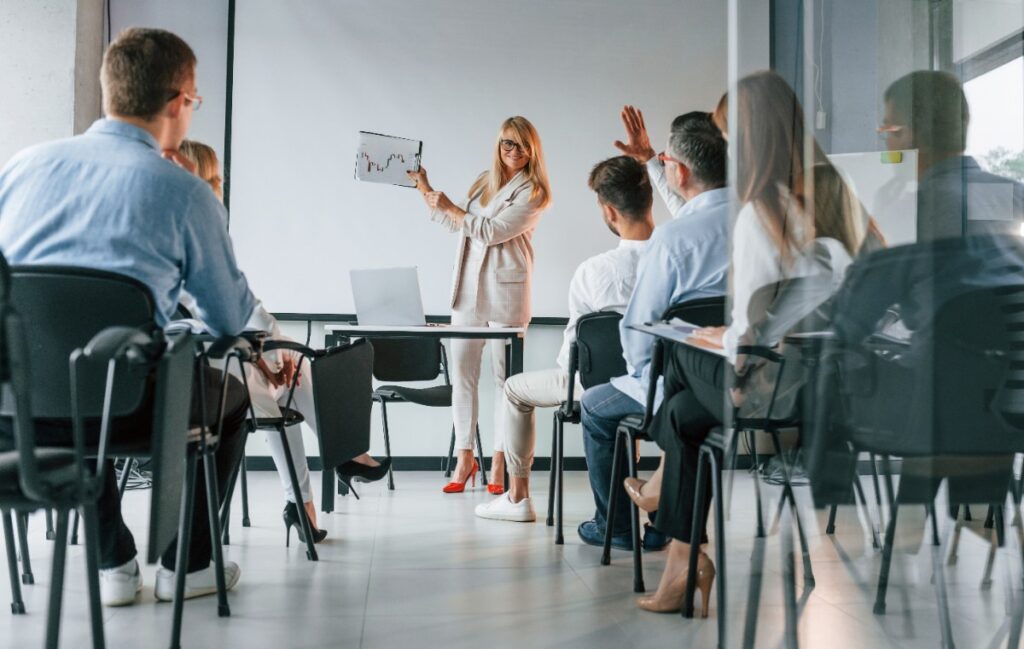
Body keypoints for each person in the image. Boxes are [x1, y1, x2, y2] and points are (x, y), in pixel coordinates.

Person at [0, 28, 251, 606]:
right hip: (134, 411)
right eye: (194, 100)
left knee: (80, 382)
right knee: (227, 396)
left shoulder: (21, 167)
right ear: (178, 103)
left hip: (18, 409)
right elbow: (229, 319)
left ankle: (111, 562)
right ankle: (187, 565)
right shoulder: (185, 192)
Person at [637, 70, 878, 614]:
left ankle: (669, 517)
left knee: (676, 348)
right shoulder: (836, 196)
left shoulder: (761, 214)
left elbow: (748, 334)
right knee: (683, 415)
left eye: (728, 137)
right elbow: (847, 293)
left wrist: (720, 338)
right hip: (819, 387)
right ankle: (681, 561)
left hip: (763, 389)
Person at [176, 140, 390, 544]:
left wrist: (269, 351)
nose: (221, 185)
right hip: (209, 367)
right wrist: (269, 353)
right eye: (215, 177)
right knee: (288, 382)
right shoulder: (195, 234)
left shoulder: (173, 231)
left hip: (208, 356)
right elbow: (235, 307)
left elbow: (236, 308)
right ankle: (335, 466)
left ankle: (307, 500)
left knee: (290, 375)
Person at [576, 112, 730, 551]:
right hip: (745, 382)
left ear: (679, 171)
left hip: (680, 386)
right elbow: (697, 213)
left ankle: (617, 527)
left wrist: (648, 380)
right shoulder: (759, 223)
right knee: (681, 408)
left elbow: (639, 331)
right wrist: (651, 160)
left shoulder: (674, 238)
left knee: (594, 407)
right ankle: (667, 528)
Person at [473, 156, 655, 522]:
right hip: (664, 388)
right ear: (649, 200)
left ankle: (517, 497)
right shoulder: (679, 262)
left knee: (513, 389)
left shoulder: (594, 272)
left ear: (609, 211)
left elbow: (575, 353)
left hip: (596, 388)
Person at [407, 116, 551, 494]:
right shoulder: (484, 182)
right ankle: (465, 457)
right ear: (498, 145)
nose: (514, 151)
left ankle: (500, 462)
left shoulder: (534, 191)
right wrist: (425, 188)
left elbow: (491, 231)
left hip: (506, 294)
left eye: (522, 145)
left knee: (505, 381)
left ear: (532, 150)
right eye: (507, 143)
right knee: (463, 376)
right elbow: (454, 222)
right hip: (468, 291)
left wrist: (454, 209)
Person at [880, 70, 1024, 241]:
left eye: (889, 130)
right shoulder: (1014, 194)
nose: (886, 143)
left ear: (913, 135)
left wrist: (880, 220)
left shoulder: (919, 209)